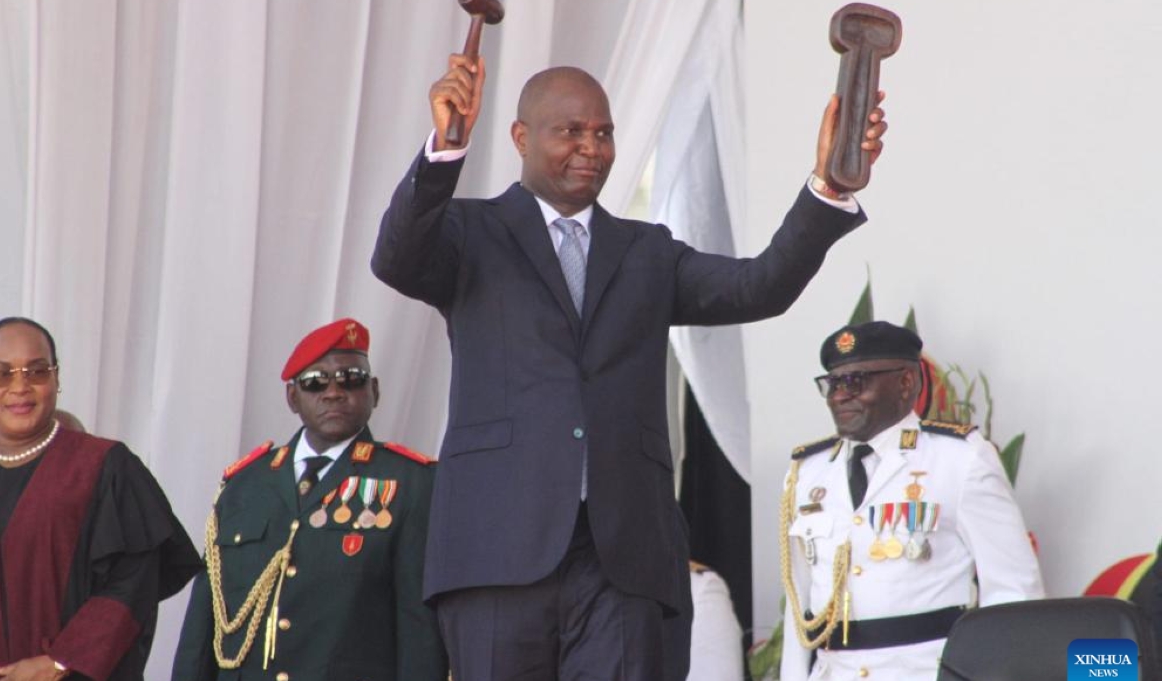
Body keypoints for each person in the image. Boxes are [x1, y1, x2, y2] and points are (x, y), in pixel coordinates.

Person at [371, 51, 887, 681]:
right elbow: (396, 258)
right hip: (497, 548)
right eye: (571, 131)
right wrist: (443, 153)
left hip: (623, 556)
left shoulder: (646, 251)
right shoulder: (469, 231)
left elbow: (760, 286)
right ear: (521, 138)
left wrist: (828, 186)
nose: (592, 147)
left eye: (604, 132)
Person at [171, 318, 447, 681]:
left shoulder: (412, 483)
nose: (333, 392)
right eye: (315, 382)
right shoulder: (244, 484)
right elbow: (204, 620)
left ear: (374, 391)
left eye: (350, 378)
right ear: (292, 397)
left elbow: (419, 629)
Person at [779, 321, 1044, 681]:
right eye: (833, 384)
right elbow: (799, 606)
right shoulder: (807, 472)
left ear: (906, 382)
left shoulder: (959, 459)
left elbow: (1013, 594)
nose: (840, 396)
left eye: (856, 382)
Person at [0, 317, 200, 681]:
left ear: (56, 378)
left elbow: (135, 579)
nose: (20, 387)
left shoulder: (105, 466)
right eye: (1, 374)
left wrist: (60, 662)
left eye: (37, 371)